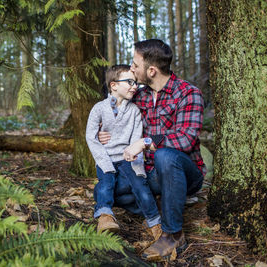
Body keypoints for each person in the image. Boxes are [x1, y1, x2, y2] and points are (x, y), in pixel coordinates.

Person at [99, 39, 206, 261]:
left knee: (165, 155)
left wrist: (145, 141)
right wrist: (104, 131)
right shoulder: (139, 94)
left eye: (134, 64)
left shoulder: (188, 93)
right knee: (112, 192)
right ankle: (163, 204)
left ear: (151, 70)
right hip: (148, 173)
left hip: (185, 172)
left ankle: (173, 234)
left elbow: (185, 140)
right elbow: (116, 117)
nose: (131, 69)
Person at [86, 64, 161, 236]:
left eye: (135, 82)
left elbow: (135, 140)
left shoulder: (134, 111)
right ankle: (105, 216)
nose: (134, 86)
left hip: (129, 157)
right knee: (106, 184)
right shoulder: (98, 108)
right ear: (113, 85)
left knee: (140, 186)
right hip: (106, 157)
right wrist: (104, 162)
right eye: (129, 82)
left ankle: (154, 222)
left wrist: (136, 162)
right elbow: (91, 137)